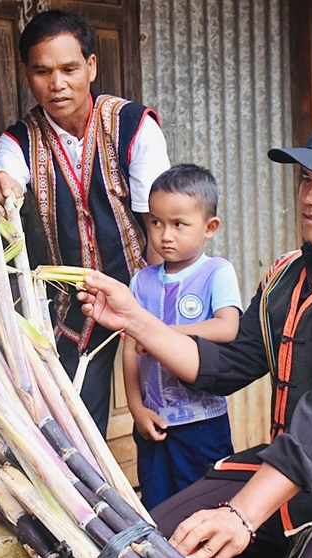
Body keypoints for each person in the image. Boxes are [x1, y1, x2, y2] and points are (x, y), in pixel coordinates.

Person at [78, 108, 312, 558]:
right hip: (286, 476)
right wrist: (135, 319)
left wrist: (240, 515)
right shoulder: (287, 275)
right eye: (306, 180)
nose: (310, 197)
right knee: (153, 541)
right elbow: (229, 363)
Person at [0, 10, 171, 437]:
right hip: (76, 309)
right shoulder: (19, 140)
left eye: (69, 68)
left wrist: (158, 314)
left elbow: (157, 222)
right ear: (25, 74)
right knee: (75, 427)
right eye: (42, 72)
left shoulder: (132, 126)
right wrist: (4, 186)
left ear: (91, 65)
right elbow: (6, 175)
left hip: (141, 291)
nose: (57, 84)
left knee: (165, 415)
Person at [124, 164, 242, 510]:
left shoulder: (215, 272)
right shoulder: (142, 282)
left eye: (179, 224)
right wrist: (135, 407)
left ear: (210, 227)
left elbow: (227, 327)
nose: (165, 235)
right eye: (156, 222)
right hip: (154, 422)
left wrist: (162, 334)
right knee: (159, 508)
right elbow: (131, 349)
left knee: (210, 506)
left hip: (202, 423)